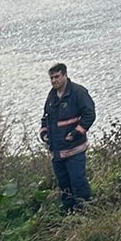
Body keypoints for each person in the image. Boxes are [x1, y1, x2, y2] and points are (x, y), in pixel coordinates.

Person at [39, 63, 96, 213]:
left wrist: (76, 133)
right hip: (57, 151)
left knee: (78, 181)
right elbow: (45, 117)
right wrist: (44, 133)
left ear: (65, 75)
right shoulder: (51, 96)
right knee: (64, 184)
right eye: (51, 78)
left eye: (57, 77)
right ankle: (69, 212)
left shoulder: (78, 92)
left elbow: (89, 114)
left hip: (75, 149)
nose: (54, 80)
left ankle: (87, 211)